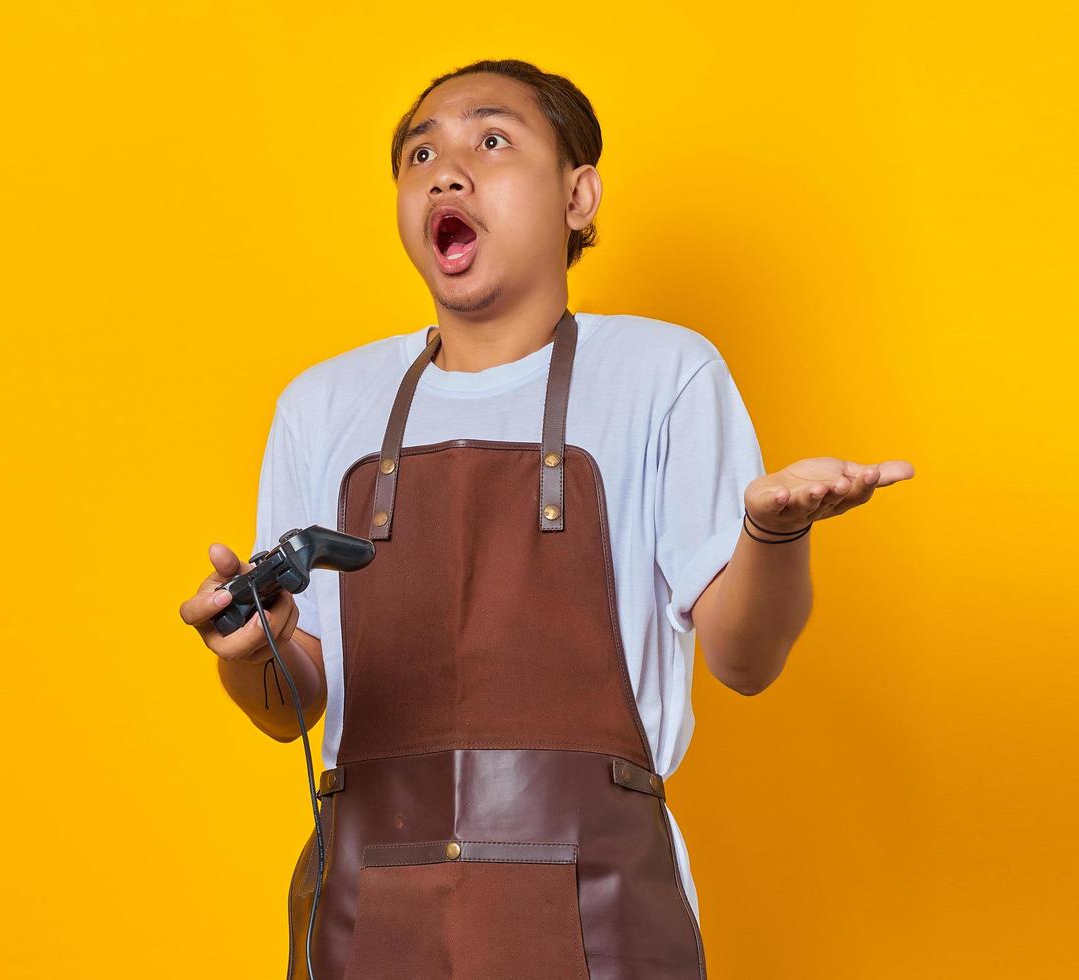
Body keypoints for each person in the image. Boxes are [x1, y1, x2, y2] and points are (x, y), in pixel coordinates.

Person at [178, 58, 913, 979]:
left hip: (600, 918)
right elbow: (295, 710)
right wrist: (253, 652)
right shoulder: (324, 405)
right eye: (420, 155)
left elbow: (746, 660)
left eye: (491, 142)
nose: (445, 171)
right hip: (369, 917)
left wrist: (772, 534)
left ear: (578, 195)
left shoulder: (664, 374)